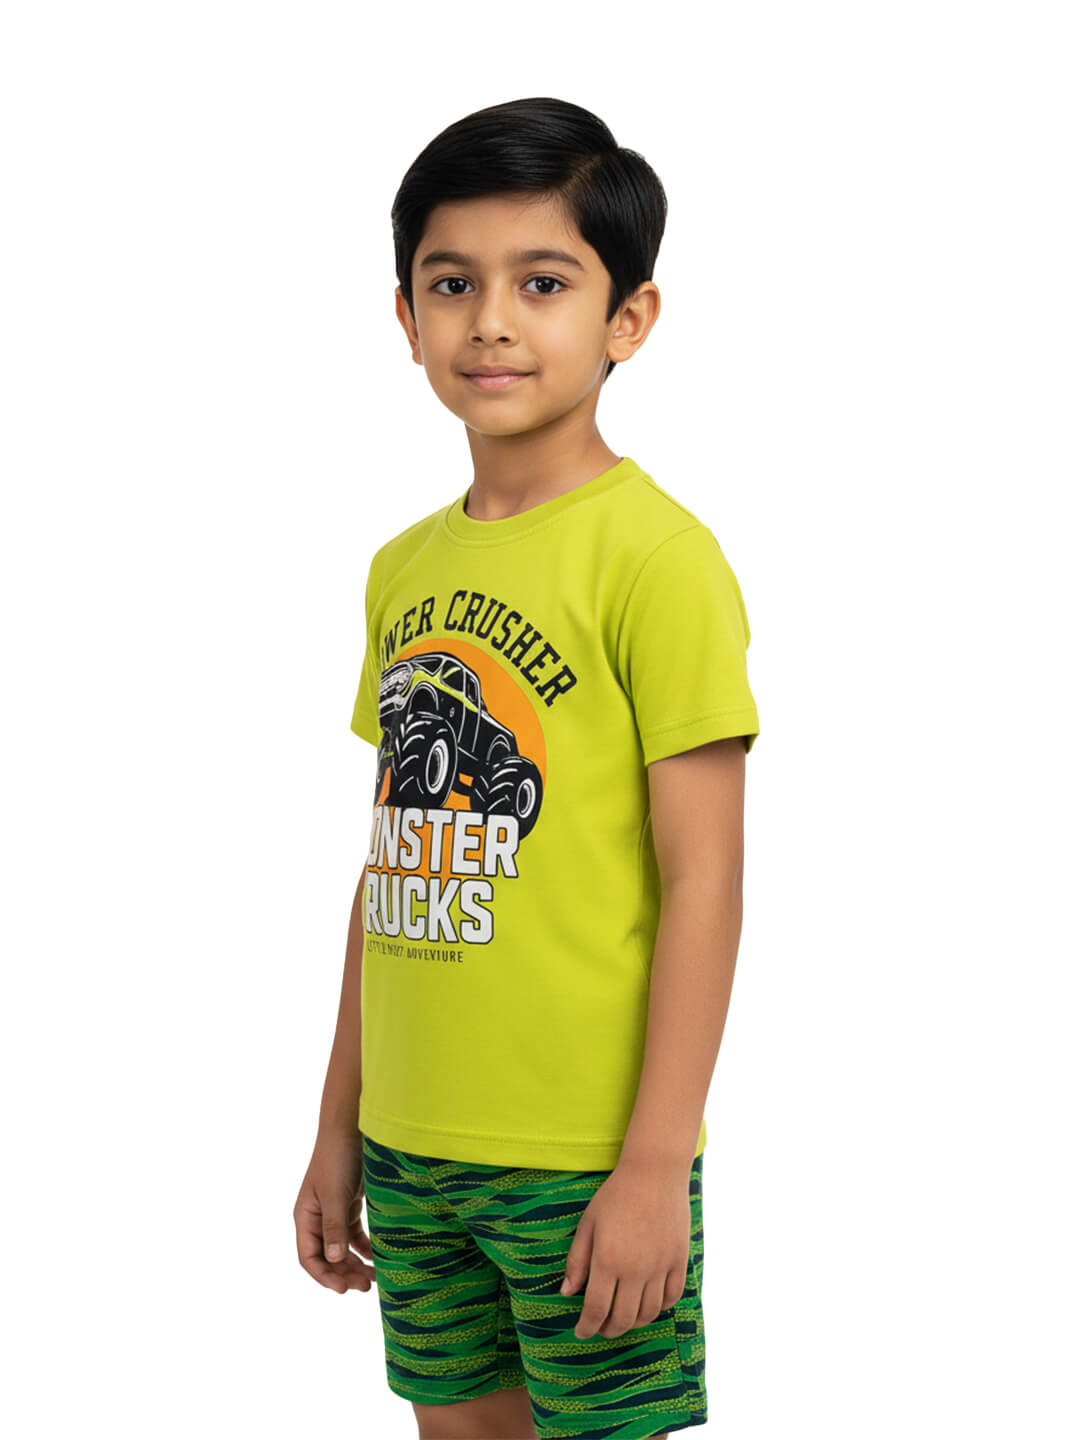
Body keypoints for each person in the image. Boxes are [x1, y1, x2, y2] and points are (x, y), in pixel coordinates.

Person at [294, 96, 761, 1440]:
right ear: (407, 318)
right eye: (453, 284)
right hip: (414, 1150)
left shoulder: (659, 560)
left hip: (582, 1160)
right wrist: (338, 1127)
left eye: (543, 283)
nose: (492, 321)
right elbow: (392, 866)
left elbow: (706, 881)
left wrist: (654, 1163)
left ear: (629, 319)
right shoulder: (402, 568)